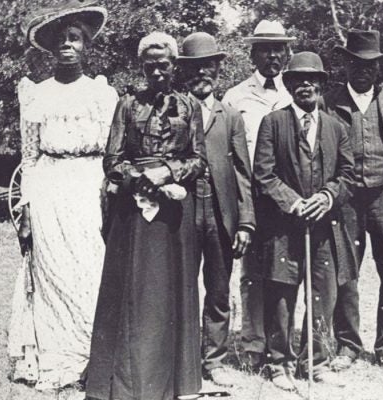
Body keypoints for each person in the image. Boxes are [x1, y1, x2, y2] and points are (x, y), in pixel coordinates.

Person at [85, 32, 207, 400]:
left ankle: (171, 383)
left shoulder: (190, 107)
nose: (157, 71)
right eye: (150, 65)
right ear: (142, 67)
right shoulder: (127, 105)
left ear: (174, 67)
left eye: (163, 65)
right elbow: (112, 158)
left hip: (173, 213)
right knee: (131, 292)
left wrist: (168, 172)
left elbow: (199, 160)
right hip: (133, 210)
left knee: (169, 294)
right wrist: (138, 180)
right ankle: (122, 382)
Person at [8, 1, 118, 391]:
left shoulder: (102, 94)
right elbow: (30, 155)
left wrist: (109, 193)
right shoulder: (37, 94)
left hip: (88, 186)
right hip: (50, 185)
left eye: (75, 39)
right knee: (52, 269)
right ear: (51, 49)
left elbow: (111, 153)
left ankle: (91, 357)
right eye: (61, 40)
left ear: (87, 45)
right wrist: (27, 205)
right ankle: (55, 358)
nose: (67, 46)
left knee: (89, 268)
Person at [252, 52, 357, 390]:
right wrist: (294, 203)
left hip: (324, 227)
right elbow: (263, 175)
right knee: (282, 293)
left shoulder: (337, 127)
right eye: (298, 79)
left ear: (322, 85)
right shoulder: (274, 122)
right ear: (289, 84)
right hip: (284, 226)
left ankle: (317, 361)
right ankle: (278, 362)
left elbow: (348, 175)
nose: (306, 85)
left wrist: (326, 197)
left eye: (312, 79)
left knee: (322, 294)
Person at [321, 29, 383, 376]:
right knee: (345, 274)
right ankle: (347, 345)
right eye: (356, 63)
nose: (363, 70)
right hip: (345, 200)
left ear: (378, 68)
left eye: (371, 64)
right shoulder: (328, 103)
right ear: (346, 64)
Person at [177, 32, 255, 387]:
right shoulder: (173, 110)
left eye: (208, 67)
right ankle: (183, 357)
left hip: (221, 213)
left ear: (218, 70)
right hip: (182, 212)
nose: (201, 74)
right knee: (182, 286)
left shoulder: (232, 116)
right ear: (185, 72)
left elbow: (243, 172)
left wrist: (245, 223)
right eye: (194, 68)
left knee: (219, 289)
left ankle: (215, 359)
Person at [221, 19, 294, 370]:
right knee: (251, 272)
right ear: (252, 53)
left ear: (287, 53)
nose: (273, 56)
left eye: (279, 48)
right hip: (249, 197)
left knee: (283, 273)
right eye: (265, 48)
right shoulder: (235, 97)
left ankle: (282, 344)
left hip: (286, 199)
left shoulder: (296, 93)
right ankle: (252, 345)